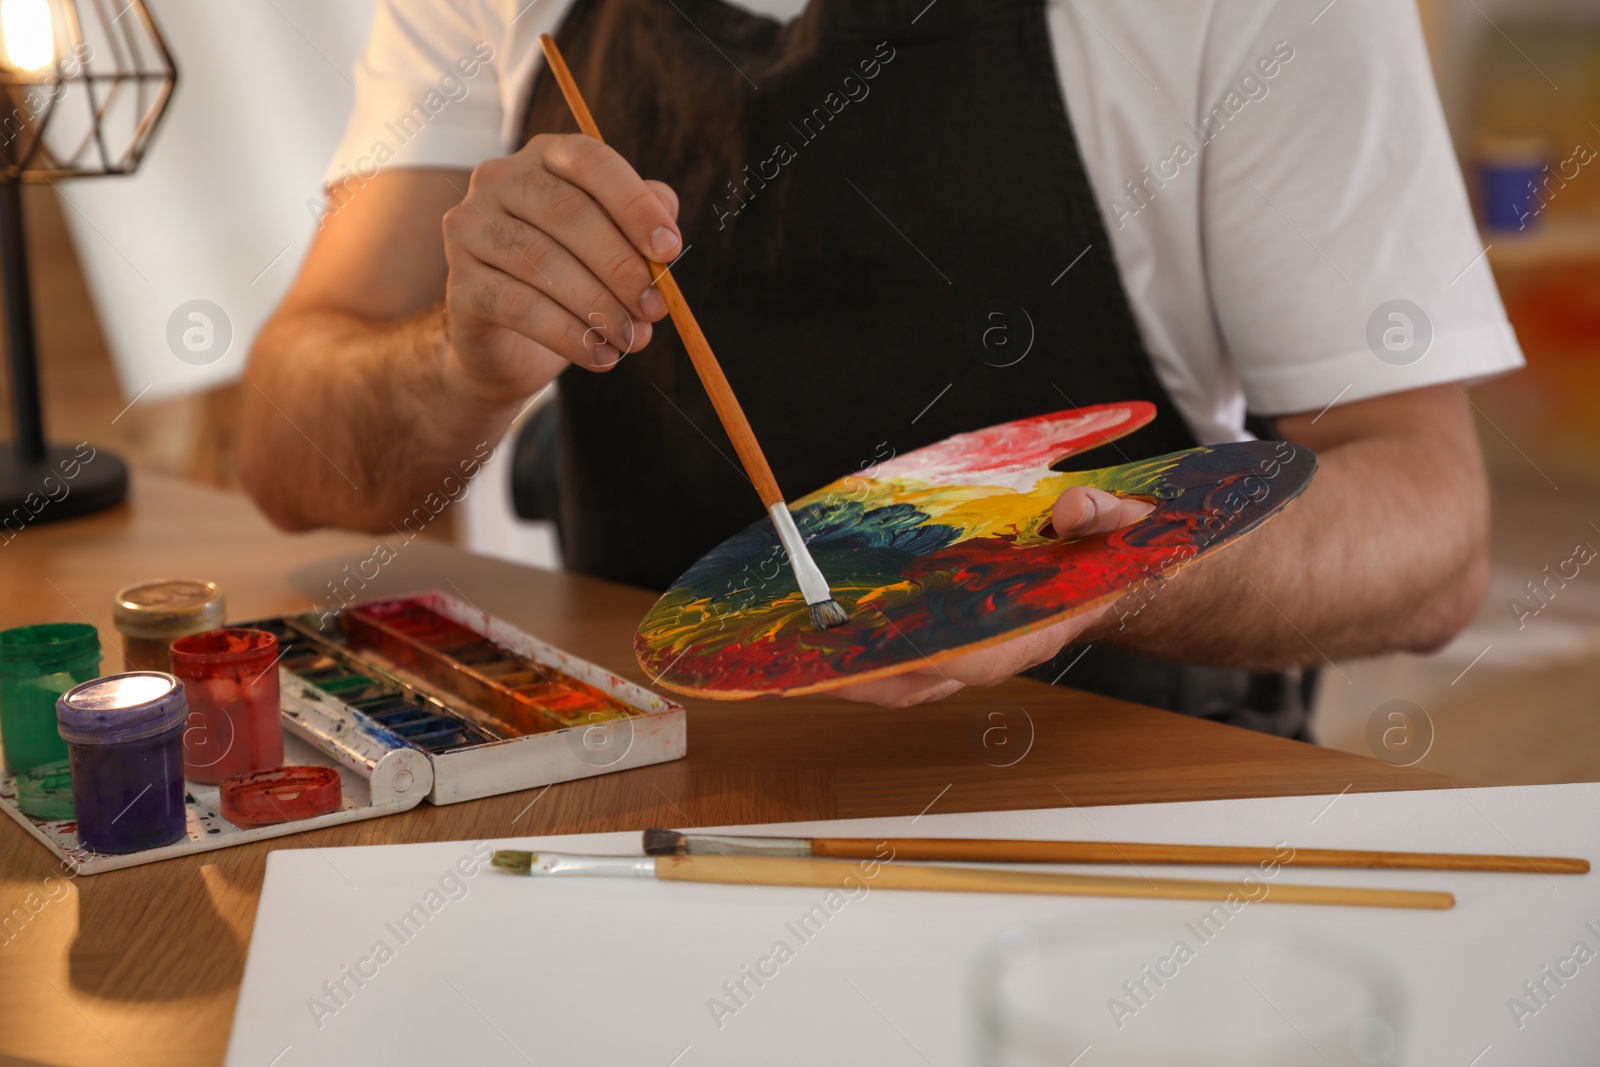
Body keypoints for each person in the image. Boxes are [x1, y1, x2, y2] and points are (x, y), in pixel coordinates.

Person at [239, 0, 1521, 731]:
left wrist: (1104, 573)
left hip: (1125, 821)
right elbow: (293, 459)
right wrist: (458, 363)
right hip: (654, 806)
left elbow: (1430, 521)